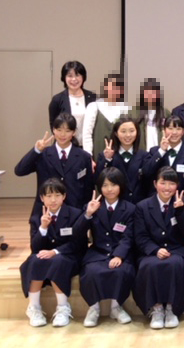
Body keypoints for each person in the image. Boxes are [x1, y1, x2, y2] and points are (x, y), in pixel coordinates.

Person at [133, 167, 184, 329]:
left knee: (175, 264)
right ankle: (157, 308)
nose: (167, 188)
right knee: (149, 266)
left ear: (177, 185)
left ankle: (172, 309)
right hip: (151, 251)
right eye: (163, 183)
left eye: (171, 183)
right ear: (155, 184)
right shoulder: (142, 206)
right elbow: (140, 236)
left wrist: (180, 212)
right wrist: (155, 250)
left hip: (178, 249)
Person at [74, 167, 136, 327]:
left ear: (121, 186)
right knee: (90, 272)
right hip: (98, 251)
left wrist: (119, 255)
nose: (109, 189)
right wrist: (88, 214)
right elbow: (77, 232)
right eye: (105, 185)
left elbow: (129, 236)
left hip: (121, 252)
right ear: (99, 187)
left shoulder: (130, 208)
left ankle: (116, 307)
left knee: (121, 271)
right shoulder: (93, 206)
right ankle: (93, 308)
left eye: (113, 185)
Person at [20, 178, 85, 327]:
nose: (53, 200)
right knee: (35, 260)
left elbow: (78, 244)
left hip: (68, 256)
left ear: (64, 196)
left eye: (57, 195)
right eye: (48, 196)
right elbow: (35, 247)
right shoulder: (36, 217)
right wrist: (43, 227)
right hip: (44, 256)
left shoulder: (75, 214)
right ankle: (34, 308)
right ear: (42, 198)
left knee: (57, 261)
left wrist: (55, 251)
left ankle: (63, 308)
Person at [15, 112, 94, 216]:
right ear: (53, 130)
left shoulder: (84, 156)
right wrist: (36, 150)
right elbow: (19, 171)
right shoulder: (43, 154)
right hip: (46, 212)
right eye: (59, 130)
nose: (62, 135)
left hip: (75, 212)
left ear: (74, 132)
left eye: (67, 131)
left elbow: (88, 188)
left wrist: (84, 213)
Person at [95, 115, 151, 204]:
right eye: (123, 131)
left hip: (138, 205)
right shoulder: (105, 156)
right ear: (116, 133)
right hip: (115, 205)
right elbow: (98, 180)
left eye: (131, 131)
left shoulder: (144, 156)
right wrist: (107, 159)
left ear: (137, 132)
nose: (128, 135)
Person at [143, 115, 184, 198]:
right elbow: (146, 173)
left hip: (182, 200)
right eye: (170, 128)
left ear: (183, 131)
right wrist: (161, 151)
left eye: (178, 129)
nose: (174, 132)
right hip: (157, 200)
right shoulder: (154, 151)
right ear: (164, 130)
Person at [82, 72, 130, 160]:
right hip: (98, 154)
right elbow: (87, 135)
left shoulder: (125, 108)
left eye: (118, 87)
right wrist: (88, 157)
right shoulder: (94, 106)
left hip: (119, 156)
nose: (114, 90)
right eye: (111, 86)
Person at [48, 60, 97, 144]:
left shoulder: (93, 98)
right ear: (64, 78)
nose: (74, 79)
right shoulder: (57, 99)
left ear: (83, 77)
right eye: (70, 76)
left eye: (77, 75)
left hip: (88, 146)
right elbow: (54, 126)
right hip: (66, 146)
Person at [131, 78, 170, 151]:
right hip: (141, 152)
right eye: (147, 92)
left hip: (161, 152)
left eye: (153, 93)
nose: (150, 95)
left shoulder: (165, 113)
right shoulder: (133, 112)